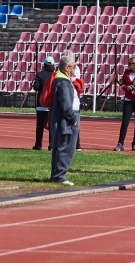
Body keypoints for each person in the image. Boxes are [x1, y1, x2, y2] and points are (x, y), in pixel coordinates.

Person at [50, 54, 79, 186]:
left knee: (59, 147)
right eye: (73, 66)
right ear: (67, 68)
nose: (75, 68)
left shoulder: (59, 80)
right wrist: (73, 118)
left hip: (60, 119)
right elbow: (66, 105)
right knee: (66, 147)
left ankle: (56, 174)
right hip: (65, 121)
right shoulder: (64, 83)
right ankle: (59, 175)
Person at [32, 56, 55, 150]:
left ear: (44, 65)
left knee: (40, 126)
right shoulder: (55, 75)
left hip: (41, 104)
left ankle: (38, 145)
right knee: (52, 125)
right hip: (51, 104)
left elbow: (36, 87)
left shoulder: (39, 75)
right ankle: (51, 145)